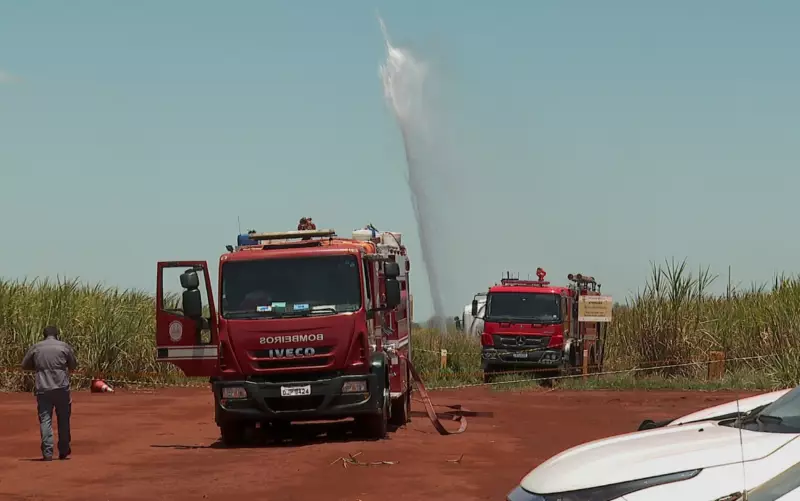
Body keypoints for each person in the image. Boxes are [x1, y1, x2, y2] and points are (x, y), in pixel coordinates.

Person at [21, 326, 77, 461]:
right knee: (63, 419)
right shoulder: (64, 347)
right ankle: (63, 450)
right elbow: (73, 365)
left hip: (43, 387)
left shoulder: (36, 347)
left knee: (45, 420)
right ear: (57, 335)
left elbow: (24, 365)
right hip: (61, 388)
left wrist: (38, 367)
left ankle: (47, 452)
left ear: (43, 335)